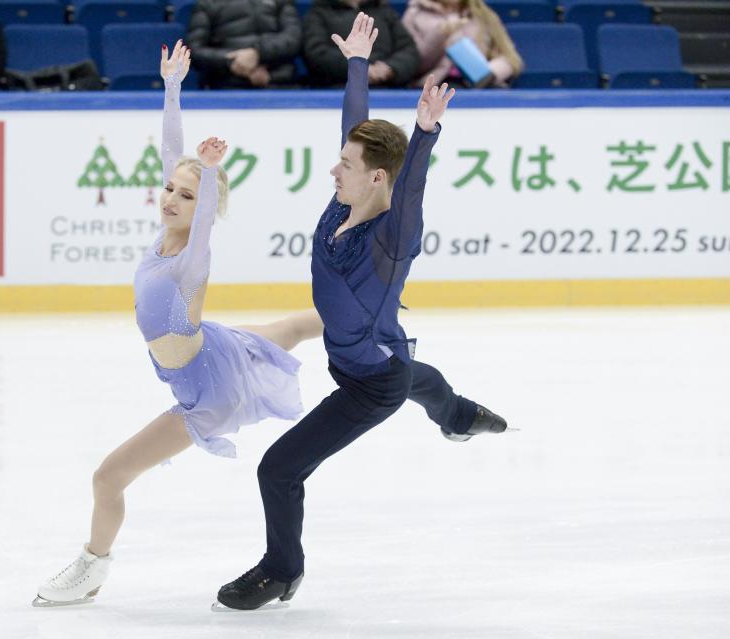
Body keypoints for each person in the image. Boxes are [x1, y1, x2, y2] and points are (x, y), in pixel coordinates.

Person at [215, 13, 507, 611]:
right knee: (414, 377)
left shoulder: (391, 239)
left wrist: (425, 134)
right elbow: (356, 129)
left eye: (344, 166)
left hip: (366, 384)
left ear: (377, 178)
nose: (332, 170)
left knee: (279, 469)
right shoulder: (346, 195)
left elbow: (413, 186)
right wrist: (355, 64)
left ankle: (282, 569)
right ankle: (455, 416)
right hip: (375, 352)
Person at [32, 41, 324, 607]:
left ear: (205, 206)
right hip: (213, 348)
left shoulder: (193, 255)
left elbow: (204, 207)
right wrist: (171, 87)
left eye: (185, 196)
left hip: (203, 389)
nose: (171, 197)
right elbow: (173, 155)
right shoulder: (165, 233)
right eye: (170, 189)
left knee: (107, 478)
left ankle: (90, 569)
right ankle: (365, 317)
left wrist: (209, 177)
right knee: (288, 328)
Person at [402, 0, 522, 87]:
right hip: (435, 85)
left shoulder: (484, 14)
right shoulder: (414, 14)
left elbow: (510, 57)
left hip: (480, 85)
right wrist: (439, 35)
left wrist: (490, 73)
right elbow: (412, 63)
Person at [186, 0, 303, 88]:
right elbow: (194, 51)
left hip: (281, 85)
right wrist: (232, 62)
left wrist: (257, 53)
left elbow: (294, 38)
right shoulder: (208, 3)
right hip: (228, 88)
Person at [303, 0, 420, 88]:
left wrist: (390, 68)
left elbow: (408, 49)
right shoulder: (319, 14)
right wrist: (358, 67)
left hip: (387, 88)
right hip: (337, 88)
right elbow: (316, 53)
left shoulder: (385, 12)